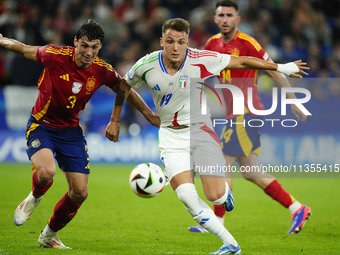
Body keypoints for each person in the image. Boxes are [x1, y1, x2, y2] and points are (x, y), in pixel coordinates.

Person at [106, 18, 308, 255]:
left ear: (187, 42)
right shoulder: (146, 64)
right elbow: (123, 86)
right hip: (170, 137)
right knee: (187, 196)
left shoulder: (200, 59)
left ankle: (225, 194)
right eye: (170, 41)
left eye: (181, 42)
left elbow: (242, 61)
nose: (175, 47)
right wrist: (121, 118)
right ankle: (231, 244)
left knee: (215, 195)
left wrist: (281, 67)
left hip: (200, 132)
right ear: (162, 41)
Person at [0, 19, 159, 249]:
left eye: (94, 47)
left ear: (100, 47)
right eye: (84, 45)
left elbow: (124, 87)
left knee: (80, 193)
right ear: (75, 42)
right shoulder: (54, 55)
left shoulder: (102, 70)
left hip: (71, 132)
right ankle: (34, 197)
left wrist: (145, 113)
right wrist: (3, 40)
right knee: (46, 173)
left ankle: (49, 234)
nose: (89, 52)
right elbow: (23, 48)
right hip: (41, 126)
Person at [188, 0, 312, 236]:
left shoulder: (248, 43)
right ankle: (297, 208)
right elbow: (202, 74)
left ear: (238, 19)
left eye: (229, 15)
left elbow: (273, 69)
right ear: (215, 19)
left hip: (246, 112)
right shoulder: (211, 43)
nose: (225, 19)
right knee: (250, 171)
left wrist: (293, 100)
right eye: (221, 15)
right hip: (232, 113)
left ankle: (217, 221)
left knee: (221, 163)